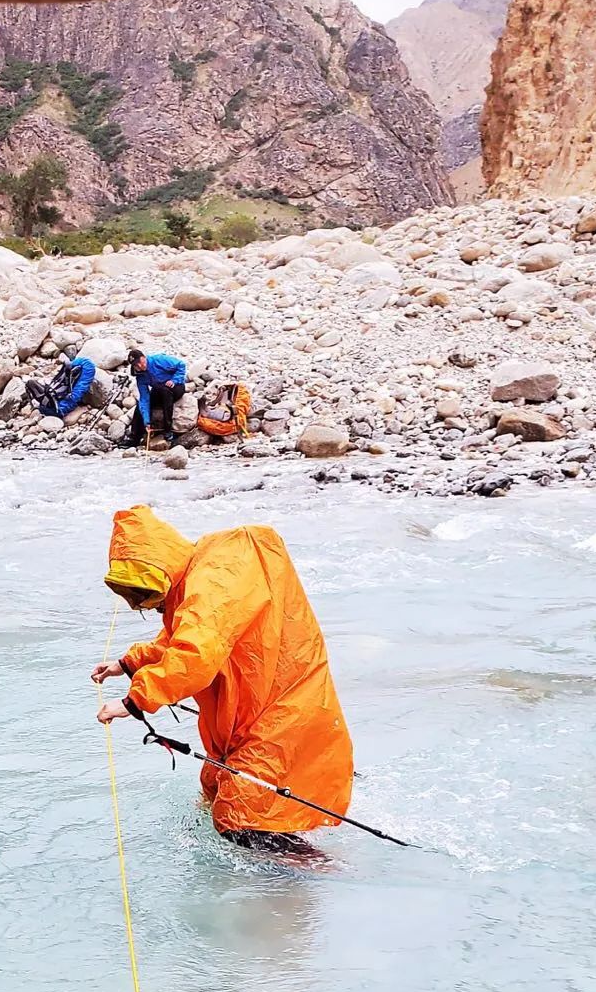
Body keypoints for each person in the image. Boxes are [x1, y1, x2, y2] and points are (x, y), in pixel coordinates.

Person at [92, 505, 353, 851]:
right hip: (257, 710)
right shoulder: (202, 575)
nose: (144, 607)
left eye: (146, 597)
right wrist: (127, 664)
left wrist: (134, 701)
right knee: (215, 789)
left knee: (239, 819)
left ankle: (319, 880)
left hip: (281, 712)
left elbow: (197, 653)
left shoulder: (214, 577)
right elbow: (183, 638)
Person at [124, 348, 186, 446]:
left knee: (166, 392)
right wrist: (146, 421)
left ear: (144, 357)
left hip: (175, 387)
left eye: (140, 362)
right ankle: (134, 438)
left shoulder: (159, 360)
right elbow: (144, 398)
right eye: (136, 365)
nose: (140, 366)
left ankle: (168, 431)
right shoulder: (140, 376)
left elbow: (181, 365)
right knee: (140, 405)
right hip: (159, 390)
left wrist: (175, 380)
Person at [25, 353, 96, 421]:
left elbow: (74, 395)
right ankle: (49, 400)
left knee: (51, 401)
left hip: (59, 406)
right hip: (60, 400)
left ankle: (48, 401)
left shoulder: (83, 366)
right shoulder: (85, 366)